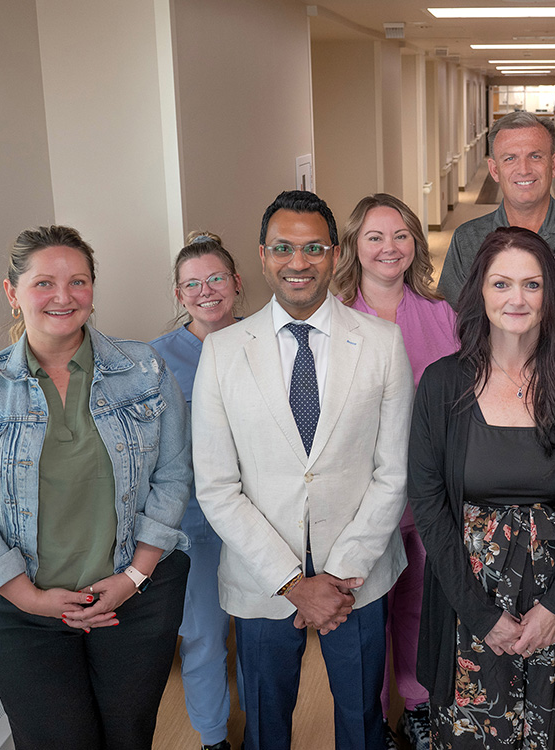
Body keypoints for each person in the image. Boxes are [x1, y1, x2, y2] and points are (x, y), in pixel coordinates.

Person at [0, 226, 192, 749]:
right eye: (44, 282)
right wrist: (28, 596)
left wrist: (135, 576)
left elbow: (173, 475)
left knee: (128, 737)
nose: (63, 296)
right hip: (21, 612)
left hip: (134, 599)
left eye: (78, 281)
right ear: (12, 292)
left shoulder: (145, 371)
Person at [191, 190, 414, 750]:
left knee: (362, 719)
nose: (299, 262)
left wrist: (339, 576)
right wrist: (292, 583)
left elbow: (394, 471)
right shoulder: (222, 352)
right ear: (262, 256)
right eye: (283, 248)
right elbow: (217, 487)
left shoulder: (383, 344)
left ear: (335, 254)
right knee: (266, 722)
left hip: (356, 576)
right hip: (261, 575)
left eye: (314, 248)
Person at [408, 226, 555, 749]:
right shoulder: (441, 383)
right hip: (468, 606)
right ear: (480, 292)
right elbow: (428, 504)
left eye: (532, 285)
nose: (517, 299)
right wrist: (481, 615)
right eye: (501, 284)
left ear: (550, 293)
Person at [335, 193, 459, 750]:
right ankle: (370, 721)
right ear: (354, 247)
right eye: (375, 237)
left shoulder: (441, 314)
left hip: (429, 490)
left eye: (401, 235)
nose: (389, 247)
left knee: (420, 604)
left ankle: (418, 705)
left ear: (415, 243)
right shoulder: (332, 319)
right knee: (366, 614)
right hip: (358, 498)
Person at [151, 231, 244, 750]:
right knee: (204, 635)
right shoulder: (155, 360)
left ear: (236, 282)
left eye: (215, 278)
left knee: (259, 634)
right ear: (178, 293)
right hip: (195, 525)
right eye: (192, 284)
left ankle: (264, 727)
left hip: (260, 519)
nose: (205, 291)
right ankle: (213, 738)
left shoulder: (265, 340)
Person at [437, 112, 555, 305]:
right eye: (510, 158)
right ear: (494, 170)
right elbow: (449, 317)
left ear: (554, 165)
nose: (524, 170)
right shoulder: (467, 239)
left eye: (535, 156)